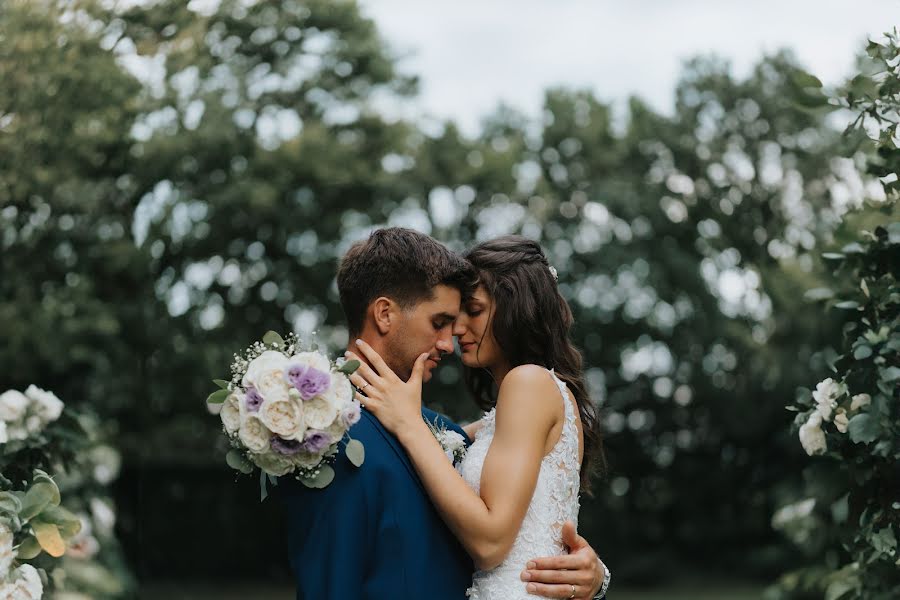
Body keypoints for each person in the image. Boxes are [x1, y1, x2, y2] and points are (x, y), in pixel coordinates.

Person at [281, 228, 607, 600]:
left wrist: (595, 579)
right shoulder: (322, 429)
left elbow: (506, 534)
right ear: (384, 314)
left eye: (472, 312)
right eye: (442, 322)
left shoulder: (435, 427)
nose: (451, 339)